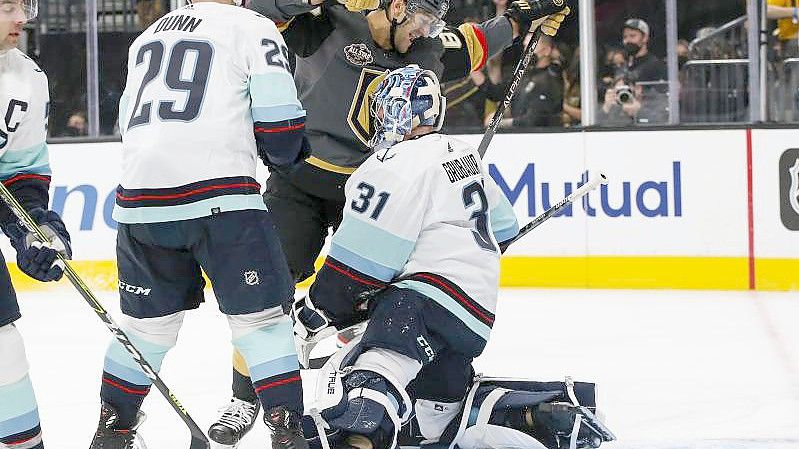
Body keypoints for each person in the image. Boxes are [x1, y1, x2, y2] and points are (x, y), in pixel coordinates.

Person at [208, 0, 571, 445]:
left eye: (433, 23)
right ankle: (244, 398)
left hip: (377, 188)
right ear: (396, 6)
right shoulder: (325, 25)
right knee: (268, 294)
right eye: (421, 20)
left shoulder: (427, 49)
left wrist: (516, 20)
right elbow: (257, 12)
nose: (426, 31)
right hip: (301, 181)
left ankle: (370, 396)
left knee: (383, 295)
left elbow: (474, 44)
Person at [294, 65, 613, 449]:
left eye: (381, 111)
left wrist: (314, 309)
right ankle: (530, 415)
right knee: (432, 418)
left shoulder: (393, 165)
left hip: (420, 304)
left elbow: (359, 266)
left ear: (398, 112)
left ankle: (358, 438)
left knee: (374, 374)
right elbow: (505, 229)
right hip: (475, 316)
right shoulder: (462, 154)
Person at [87, 1, 311, 448]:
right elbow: (281, 126)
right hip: (220, 198)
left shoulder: (147, 37)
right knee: (262, 324)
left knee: (145, 331)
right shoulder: (253, 26)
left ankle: (113, 429)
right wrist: (289, 155)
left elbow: (126, 121)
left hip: (140, 203)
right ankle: (288, 433)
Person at [0, 1, 73, 448]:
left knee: (4, 349)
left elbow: (20, 177)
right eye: (8, 6)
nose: (21, 18)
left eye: (24, 5)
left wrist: (32, 227)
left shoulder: (26, 78)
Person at [498, 34, 563, 128]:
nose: (526, 51)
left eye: (531, 46)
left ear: (546, 51)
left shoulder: (550, 79)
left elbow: (534, 120)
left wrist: (500, 123)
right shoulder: (524, 76)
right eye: (525, 46)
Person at [620, 18, 665, 82]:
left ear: (645, 38)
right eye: (625, 37)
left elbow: (661, 90)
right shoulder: (622, 65)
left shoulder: (655, 65)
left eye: (632, 36)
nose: (628, 40)